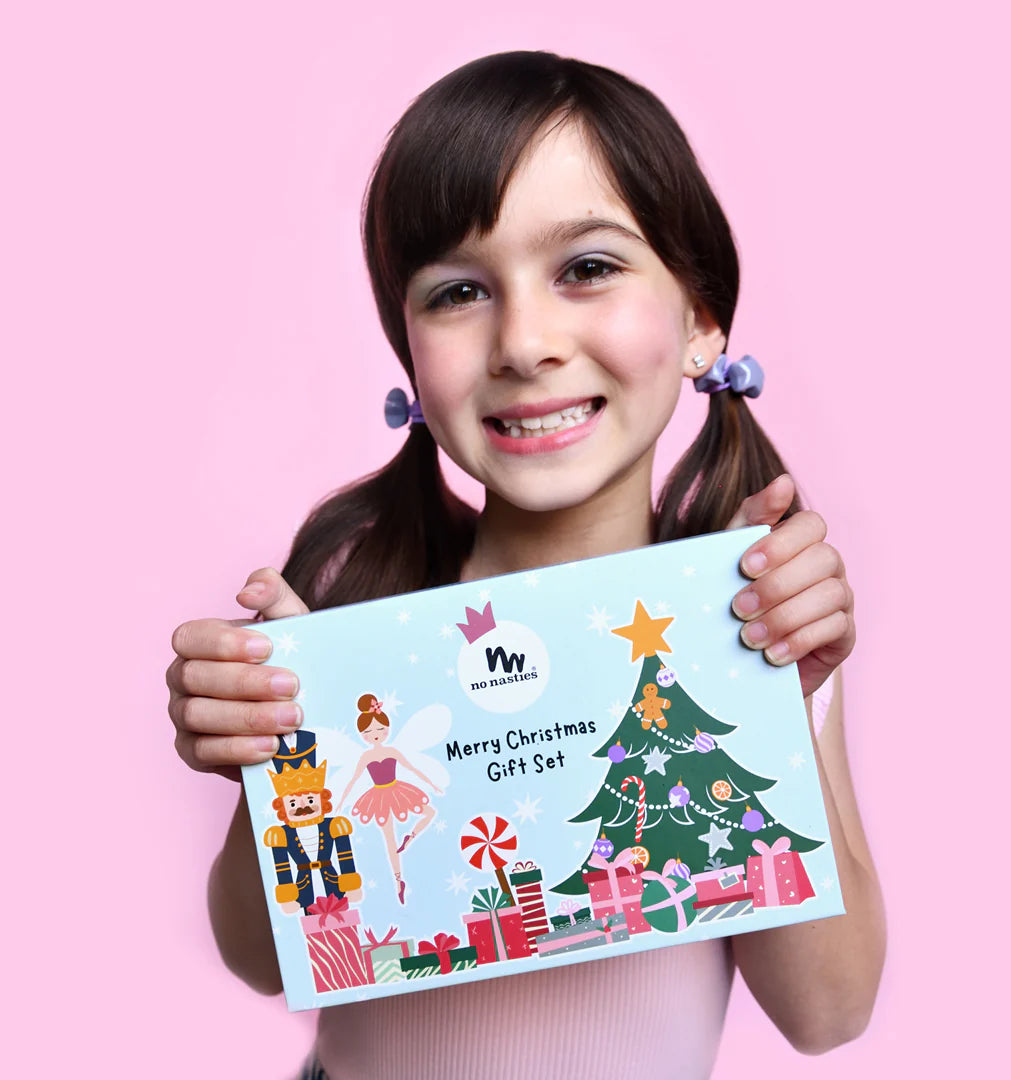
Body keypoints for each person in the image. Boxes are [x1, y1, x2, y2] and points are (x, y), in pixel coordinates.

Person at [166, 50, 885, 1080]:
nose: (525, 340)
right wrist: (270, 768)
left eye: (587, 267)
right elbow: (266, 961)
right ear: (409, 352)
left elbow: (829, 1011)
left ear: (700, 319)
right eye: (459, 291)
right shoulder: (357, 619)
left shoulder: (758, 623)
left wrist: (779, 708)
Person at [338, 693, 441, 905]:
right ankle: (398, 881)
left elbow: (412, 768)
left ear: (387, 729)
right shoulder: (365, 757)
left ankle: (410, 837)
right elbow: (353, 780)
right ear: (362, 735)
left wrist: (431, 784)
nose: (374, 734)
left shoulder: (392, 751)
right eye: (368, 731)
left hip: (397, 790)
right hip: (379, 797)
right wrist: (340, 803)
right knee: (389, 841)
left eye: (379, 729)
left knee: (429, 812)